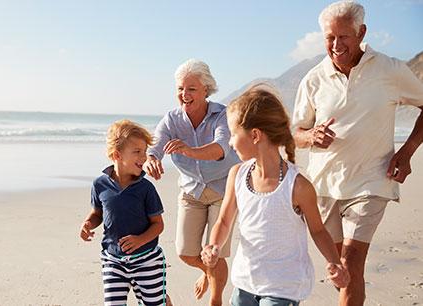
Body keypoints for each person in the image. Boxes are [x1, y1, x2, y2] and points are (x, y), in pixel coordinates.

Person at [292, 1, 423, 305]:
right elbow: (296, 134)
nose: (336, 45)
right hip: (324, 186)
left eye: (344, 37)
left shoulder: (391, 69)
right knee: (341, 270)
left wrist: (407, 151)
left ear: (361, 32)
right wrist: (311, 136)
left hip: (372, 181)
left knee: (351, 262)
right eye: (329, 38)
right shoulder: (313, 79)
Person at [201, 84, 350, 306]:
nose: (230, 142)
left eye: (233, 134)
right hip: (244, 283)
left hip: (283, 288)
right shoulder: (237, 175)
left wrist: (336, 263)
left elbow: (318, 230)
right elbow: (224, 221)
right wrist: (214, 245)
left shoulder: (297, 187)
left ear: (255, 135)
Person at [144, 59, 240, 306]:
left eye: (191, 89)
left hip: (223, 190)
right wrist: (151, 160)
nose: (184, 95)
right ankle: (206, 271)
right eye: (180, 89)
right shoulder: (172, 120)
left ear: (206, 89)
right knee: (186, 253)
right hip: (191, 191)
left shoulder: (222, 114)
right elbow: (154, 147)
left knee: (214, 254)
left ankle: (216, 301)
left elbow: (220, 149)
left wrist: (188, 150)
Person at [80, 119, 172, 306]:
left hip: (147, 261)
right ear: (117, 155)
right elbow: (97, 213)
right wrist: (88, 223)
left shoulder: (145, 188)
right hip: (113, 260)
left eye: (145, 151)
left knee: (154, 303)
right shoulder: (100, 185)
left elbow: (158, 224)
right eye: (137, 152)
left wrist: (140, 240)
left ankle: (164, 300)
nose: (144, 157)